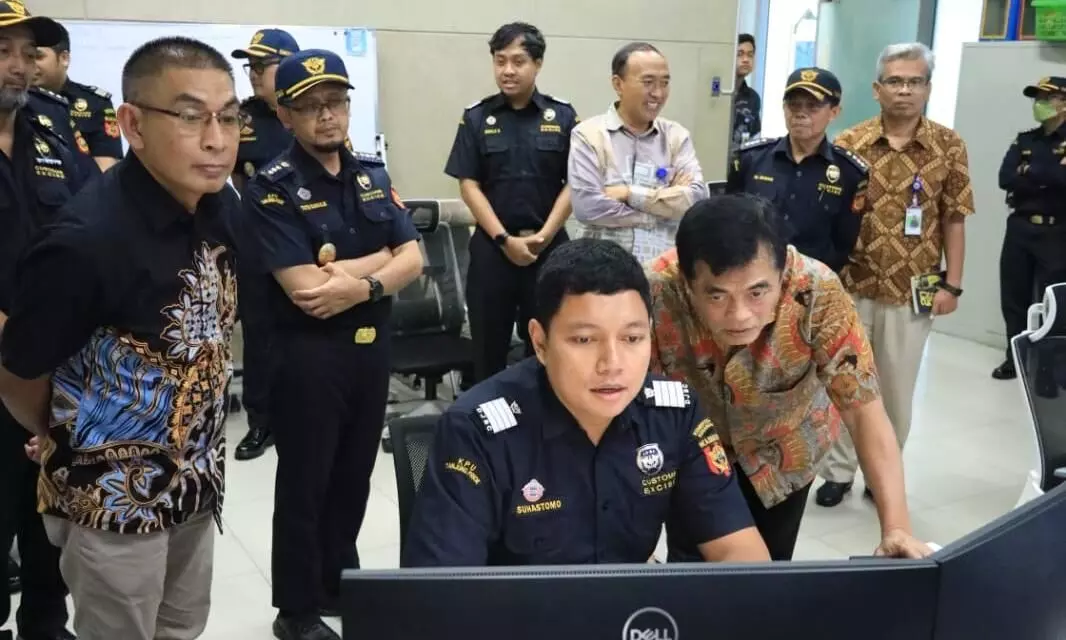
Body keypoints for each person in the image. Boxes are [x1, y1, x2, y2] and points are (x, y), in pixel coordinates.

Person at [0, 36, 243, 639]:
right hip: (113, 506)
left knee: (181, 625)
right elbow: (16, 371)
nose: (217, 139)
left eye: (229, 116)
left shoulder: (219, 204)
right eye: (190, 117)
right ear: (132, 124)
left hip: (196, 482)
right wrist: (62, 431)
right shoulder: (87, 241)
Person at [403, 238, 770, 567]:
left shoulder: (675, 414)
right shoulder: (478, 431)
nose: (612, 364)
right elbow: (442, 598)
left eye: (632, 338)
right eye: (584, 340)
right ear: (540, 342)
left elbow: (738, 550)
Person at [243, 48, 423, 640]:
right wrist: (382, 266)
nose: (328, 116)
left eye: (337, 103)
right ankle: (295, 610)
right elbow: (305, 290)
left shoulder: (372, 173)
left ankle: (336, 580)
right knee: (305, 483)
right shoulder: (272, 188)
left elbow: (414, 258)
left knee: (353, 476)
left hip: (370, 351)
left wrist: (359, 281)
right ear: (285, 115)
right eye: (312, 107)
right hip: (307, 357)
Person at [647, 194, 931, 562]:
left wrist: (897, 529)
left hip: (785, 455)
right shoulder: (654, 291)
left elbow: (864, 413)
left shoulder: (818, 292)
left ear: (782, 274)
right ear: (687, 282)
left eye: (757, 292)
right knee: (690, 568)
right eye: (716, 296)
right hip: (694, 455)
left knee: (771, 573)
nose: (739, 315)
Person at [818, 43, 974, 507]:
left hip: (915, 288)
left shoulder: (948, 146)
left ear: (927, 88)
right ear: (877, 88)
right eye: (895, 81)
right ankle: (838, 472)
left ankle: (881, 472)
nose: (904, 90)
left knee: (896, 390)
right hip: (852, 285)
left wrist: (953, 284)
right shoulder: (849, 144)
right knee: (846, 384)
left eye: (914, 81)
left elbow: (955, 219)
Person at [0, 8, 79, 640]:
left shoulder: (52, 127)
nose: (20, 64)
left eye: (28, 51)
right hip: (5, 363)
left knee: (48, 515)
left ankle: (45, 627)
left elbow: (85, 230)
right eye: (3, 49)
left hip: (54, 365)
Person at [445, 22, 577, 384]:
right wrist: (504, 239)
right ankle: (486, 428)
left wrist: (545, 235)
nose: (507, 70)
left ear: (538, 63)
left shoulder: (563, 117)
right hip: (493, 250)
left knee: (552, 344)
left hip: (548, 251)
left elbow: (574, 184)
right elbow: (469, 185)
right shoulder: (476, 118)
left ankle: (546, 423)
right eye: (500, 60)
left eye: (518, 61)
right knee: (487, 348)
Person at [569, 42, 709, 265]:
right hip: (600, 270)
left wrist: (628, 194)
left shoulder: (676, 137)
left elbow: (696, 199)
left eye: (665, 83)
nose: (658, 93)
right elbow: (588, 207)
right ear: (618, 84)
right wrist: (662, 211)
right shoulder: (588, 135)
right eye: (648, 82)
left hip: (662, 271)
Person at [229, 27, 300, 461]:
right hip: (257, 248)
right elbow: (234, 178)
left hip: (308, 249)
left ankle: (300, 413)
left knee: (306, 335)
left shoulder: (310, 112)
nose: (254, 74)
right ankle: (262, 423)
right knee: (259, 336)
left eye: (263, 64)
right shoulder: (243, 117)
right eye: (250, 66)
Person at [727, 67, 869, 272]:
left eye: (812, 106)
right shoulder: (751, 159)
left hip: (812, 283)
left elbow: (843, 243)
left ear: (834, 112)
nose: (801, 114)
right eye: (793, 105)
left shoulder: (849, 172)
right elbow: (731, 223)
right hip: (753, 277)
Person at [992, 76, 1066, 381]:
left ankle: (1050, 367)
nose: (1040, 104)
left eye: (1047, 99)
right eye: (1037, 98)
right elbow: (1005, 178)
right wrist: (1046, 173)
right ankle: (1016, 359)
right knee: (1015, 297)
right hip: (1020, 229)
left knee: (1053, 301)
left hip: (1057, 231)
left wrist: (1032, 171)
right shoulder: (1025, 140)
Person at [34, 21, 123, 173]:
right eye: (27, 56)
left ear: (64, 58)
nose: (29, 64)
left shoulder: (94, 102)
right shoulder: (14, 101)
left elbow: (106, 169)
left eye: (37, 56)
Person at [732, 33, 762, 147]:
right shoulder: (721, 93)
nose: (746, 60)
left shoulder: (753, 98)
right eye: (740, 54)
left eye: (750, 55)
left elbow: (755, 137)